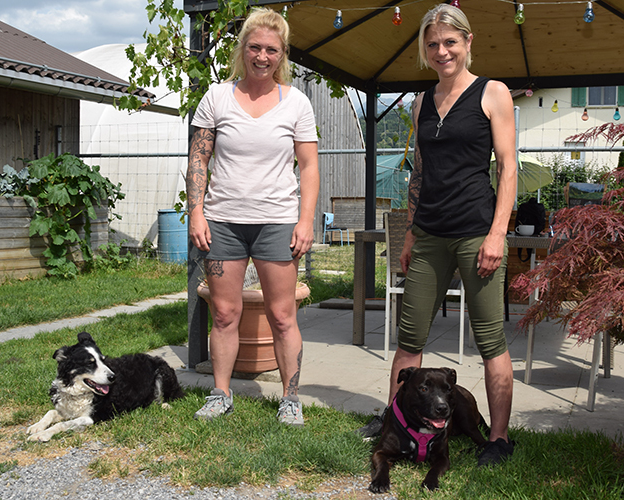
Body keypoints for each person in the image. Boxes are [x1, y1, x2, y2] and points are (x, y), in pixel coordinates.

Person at [357, 4, 518, 467]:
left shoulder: (493, 93)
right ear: (425, 52)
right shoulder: (421, 102)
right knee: (410, 338)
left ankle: (499, 439)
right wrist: (409, 235)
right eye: (433, 44)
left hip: (476, 232)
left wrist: (497, 234)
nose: (442, 50)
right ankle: (395, 422)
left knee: (490, 341)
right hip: (428, 234)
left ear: (468, 43)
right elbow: (421, 172)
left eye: (450, 42)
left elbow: (507, 168)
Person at [187, 7, 319, 426]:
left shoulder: (296, 103)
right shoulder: (216, 97)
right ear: (242, 49)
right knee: (224, 314)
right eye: (255, 47)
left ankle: (290, 398)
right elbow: (198, 159)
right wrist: (196, 212)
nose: (262, 56)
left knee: (282, 316)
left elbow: (309, 166)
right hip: (222, 222)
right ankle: (221, 393)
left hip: (277, 222)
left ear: (282, 55)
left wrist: (305, 220)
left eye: (272, 50)